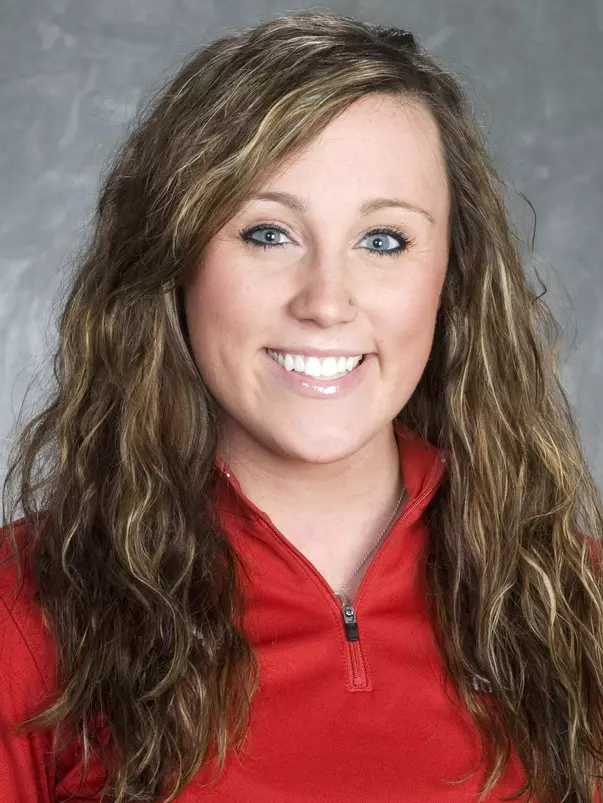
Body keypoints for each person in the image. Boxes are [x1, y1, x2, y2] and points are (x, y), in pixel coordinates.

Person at [1, 9, 602, 803]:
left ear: (450, 282)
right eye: (268, 233)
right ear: (175, 260)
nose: (326, 301)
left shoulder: (579, 607)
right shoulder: (27, 607)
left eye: (382, 240)